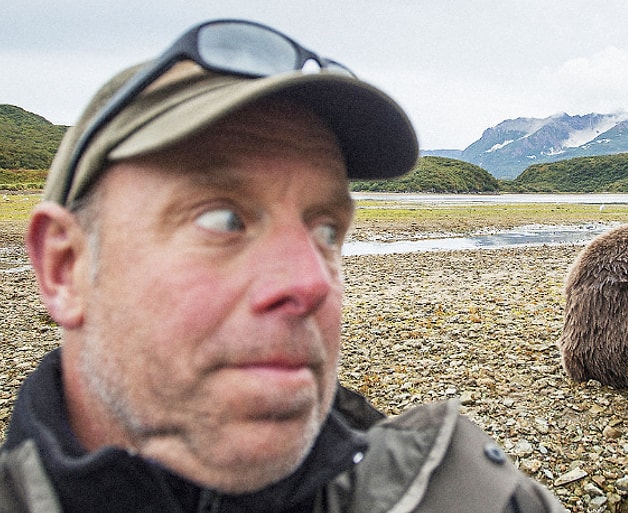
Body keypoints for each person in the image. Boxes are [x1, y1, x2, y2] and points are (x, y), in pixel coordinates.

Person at [0, 19, 564, 513]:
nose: (312, 282)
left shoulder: (474, 497)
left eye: (326, 231)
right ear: (65, 268)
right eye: (223, 219)